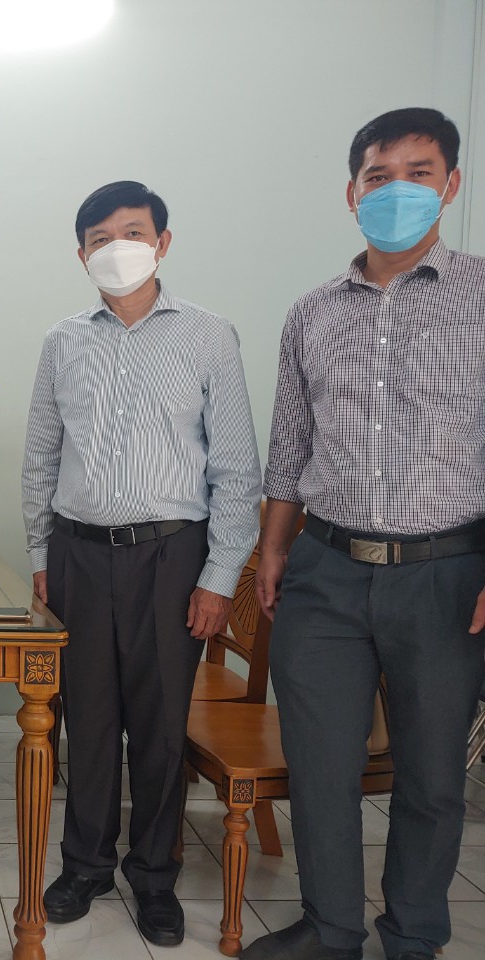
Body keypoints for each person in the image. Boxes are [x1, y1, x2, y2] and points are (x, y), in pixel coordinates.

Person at [244, 108, 485, 960]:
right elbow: (290, 448)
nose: (397, 191)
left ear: (451, 186)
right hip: (326, 569)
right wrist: (274, 550)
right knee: (320, 767)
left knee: (431, 774)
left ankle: (414, 934)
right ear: (352, 193)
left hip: (446, 574)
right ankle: (330, 928)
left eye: (420, 173)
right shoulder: (312, 313)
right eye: (379, 177)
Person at [21, 181, 262, 946]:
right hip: (80, 554)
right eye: (100, 238)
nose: (117, 247)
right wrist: (40, 555)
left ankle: (154, 875)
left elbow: (236, 468)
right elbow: (40, 456)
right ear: (81, 254)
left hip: (172, 555)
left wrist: (218, 578)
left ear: (162, 242)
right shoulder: (64, 341)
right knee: (88, 719)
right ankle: (86, 864)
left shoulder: (209, 336)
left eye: (132, 232)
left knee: (158, 728)